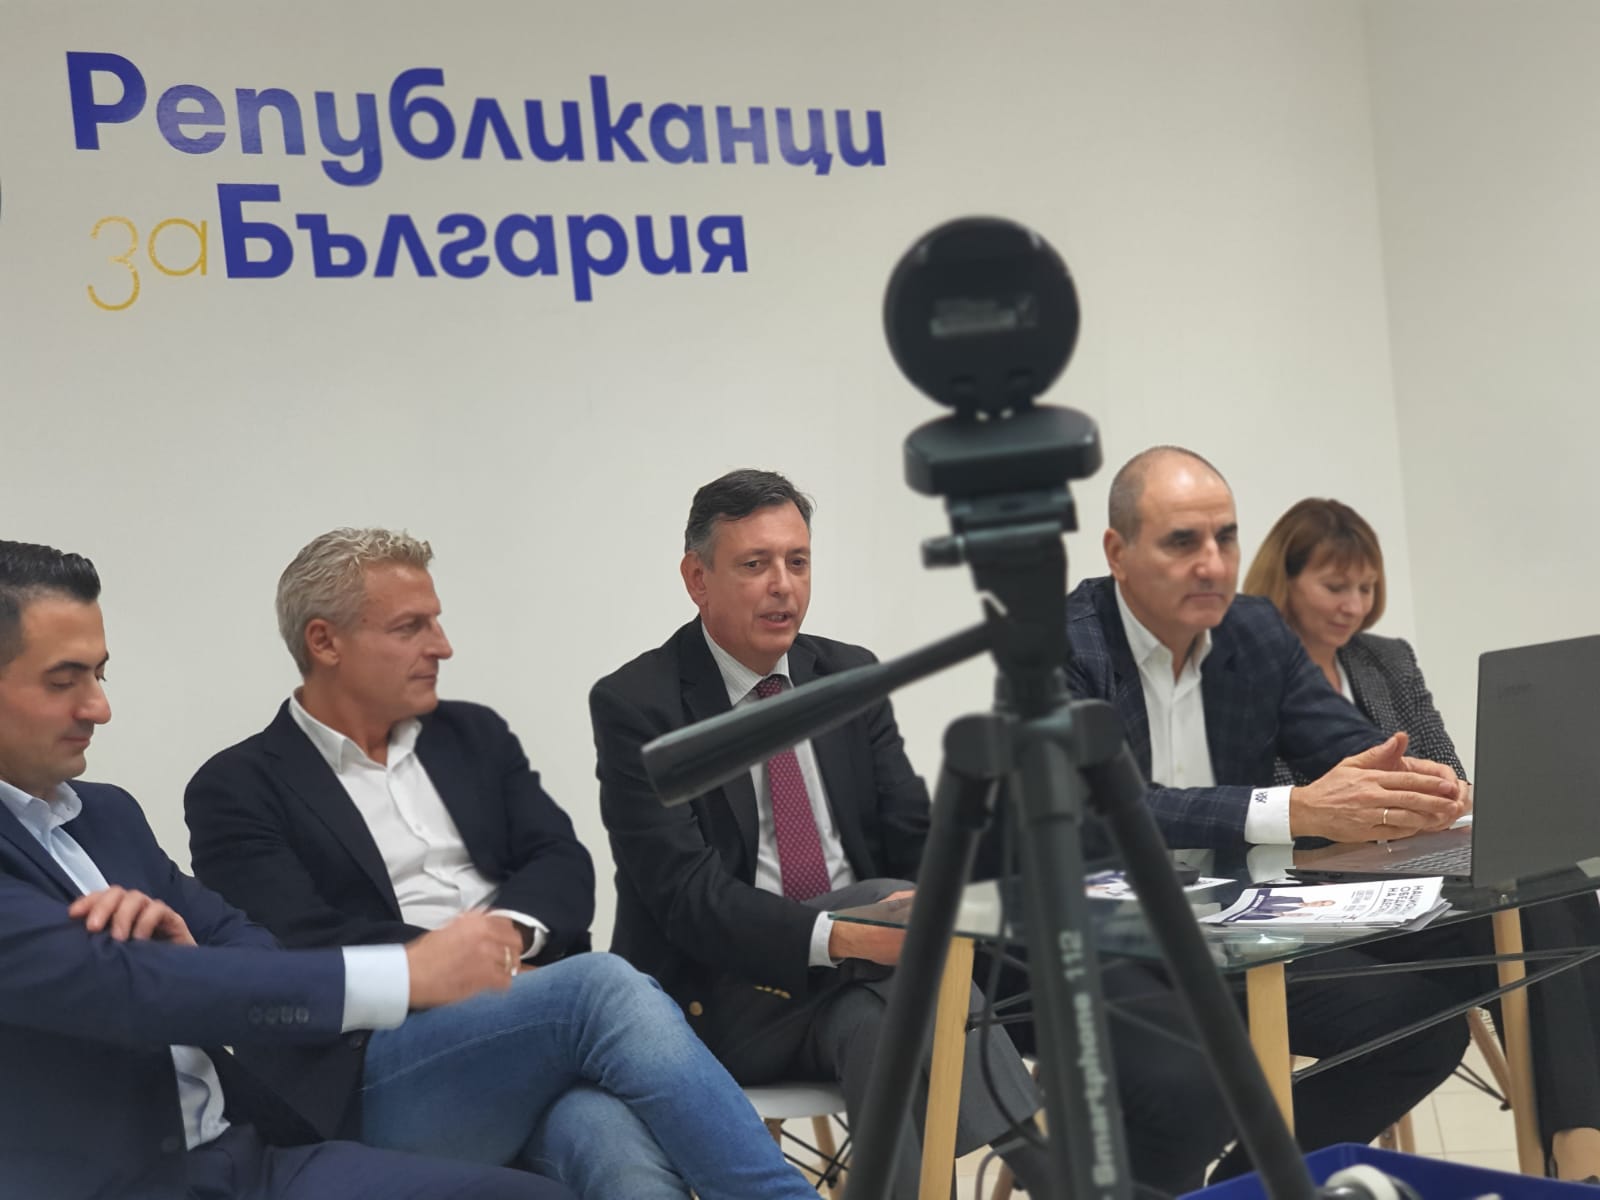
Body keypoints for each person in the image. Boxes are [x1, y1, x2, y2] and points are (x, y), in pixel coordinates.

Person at [184, 528, 816, 1200]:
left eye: (436, 622)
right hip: (367, 1075)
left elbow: (561, 861)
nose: (442, 646)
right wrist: (470, 968)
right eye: (411, 627)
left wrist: (507, 940)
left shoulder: (471, 736)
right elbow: (294, 945)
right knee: (600, 987)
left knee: (613, 1150)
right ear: (325, 643)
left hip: (524, 1038)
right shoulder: (237, 787)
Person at [0, 539, 571, 1200]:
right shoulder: (243, 783)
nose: (99, 708)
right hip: (116, 1185)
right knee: (594, 992)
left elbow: (248, 945)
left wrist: (190, 966)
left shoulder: (108, 815)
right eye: (63, 681)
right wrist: (412, 972)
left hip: (244, 1157)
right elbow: (125, 985)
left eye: (101, 675)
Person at [589, 469, 1060, 1200]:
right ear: (697, 579)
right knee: (892, 915)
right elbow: (688, 900)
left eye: (798, 561)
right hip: (722, 995)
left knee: (876, 1022)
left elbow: (913, 834)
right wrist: (847, 936)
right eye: (756, 564)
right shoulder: (639, 705)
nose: (783, 586)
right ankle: (1048, 1170)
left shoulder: (848, 674)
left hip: (866, 979)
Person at [1064, 446, 1475, 1179]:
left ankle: (1246, 1189)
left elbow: (1345, 746)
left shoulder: (1252, 628)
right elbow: (1105, 806)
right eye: (1183, 542)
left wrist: (1413, 785)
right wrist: (1295, 808)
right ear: (1118, 553)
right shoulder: (1060, 646)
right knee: (1191, 1080)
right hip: (1106, 938)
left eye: (1225, 537)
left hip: (1240, 923)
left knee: (1424, 1026)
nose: (1213, 564)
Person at [1244, 496, 1600, 1181]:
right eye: (1335, 585)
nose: (1353, 605)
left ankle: (1579, 1146)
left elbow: (1447, 774)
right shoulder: (1249, 673)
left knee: (1552, 883)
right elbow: (1268, 807)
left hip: (1420, 875)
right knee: (1533, 926)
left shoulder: (1385, 661)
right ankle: (1577, 1156)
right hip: (1320, 892)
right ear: (1283, 580)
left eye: (1366, 587)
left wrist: (1446, 798)